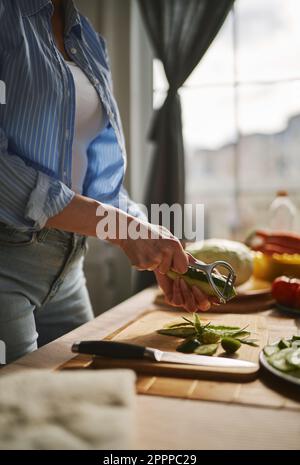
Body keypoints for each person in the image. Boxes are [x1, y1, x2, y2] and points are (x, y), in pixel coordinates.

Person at [0, 0, 211, 363]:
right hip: (7, 262)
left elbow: (103, 181)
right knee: (22, 413)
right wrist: (123, 231)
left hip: (68, 267)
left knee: (86, 391)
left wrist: (148, 239)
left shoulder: (91, 42)